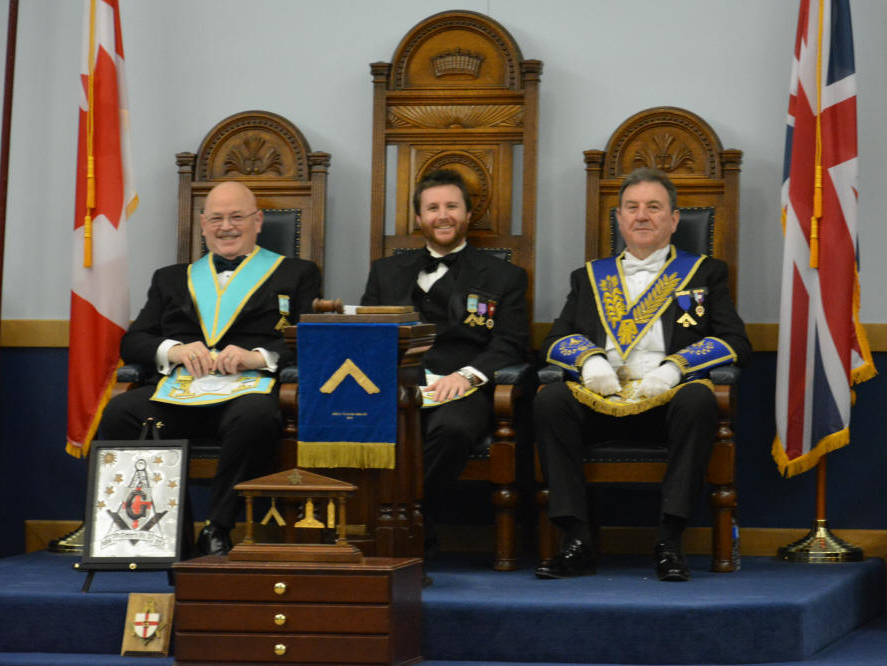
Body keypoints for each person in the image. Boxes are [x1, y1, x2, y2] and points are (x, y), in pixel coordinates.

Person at [534, 167, 750, 581]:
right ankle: (576, 541)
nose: (642, 216)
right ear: (619, 219)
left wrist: (675, 368)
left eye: (654, 207)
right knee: (550, 400)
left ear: (674, 219)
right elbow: (554, 340)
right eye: (632, 207)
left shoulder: (706, 273)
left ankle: (669, 540)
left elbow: (736, 341)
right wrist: (590, 360)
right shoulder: (590, 277)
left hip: (667, 404)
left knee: (699, 399)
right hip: (600, 399)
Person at [100, 180, 321, 556]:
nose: (226, 227)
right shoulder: (170, 278)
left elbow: (312, 337)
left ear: (258, 221)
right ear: (203, 225)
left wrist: (257, 357)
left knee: (256, 418)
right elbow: (133, 342)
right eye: (216, 218)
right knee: (121, 411)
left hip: (245, 395)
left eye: (237, 217)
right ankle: (161, 533)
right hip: (179, 395)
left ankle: (218, 528)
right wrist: (174, 350)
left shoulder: (297, 273)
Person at [361, 169, 529, 552]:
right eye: (432, 208)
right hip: (397, 384)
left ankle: (406, 522)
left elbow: (511, 342)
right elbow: (367, 334)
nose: (443, 215)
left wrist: (467, 376)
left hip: (463, 388)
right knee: (352, 417)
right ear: (419, 218)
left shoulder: (505, 276)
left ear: (468, 214)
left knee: (452, 429)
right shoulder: (384, 272)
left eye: (452, 206)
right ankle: (364, 526)